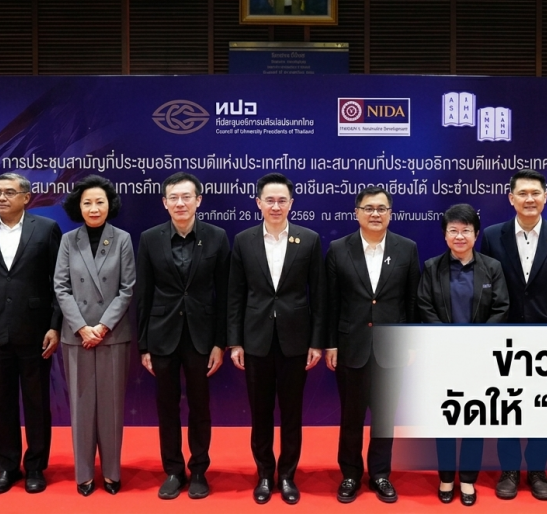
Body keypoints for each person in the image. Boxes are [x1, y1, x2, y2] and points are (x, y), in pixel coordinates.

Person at [479, 169, 547, 501]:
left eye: (535, 193)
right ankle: (509, 470)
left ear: (545, 197)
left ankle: (537, 470)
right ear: (511, 198)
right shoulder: (493, 236)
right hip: (504, 339)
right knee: (507, 406)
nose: (529, 199)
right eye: (522, 193)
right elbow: (486, 289)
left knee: (542, 408)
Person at [227, 172, 326, 505]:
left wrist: (316, 342)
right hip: (255, 340)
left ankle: (287, 476)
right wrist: (235, 342)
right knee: (261, 414)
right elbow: (235, 295)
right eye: (269, 200)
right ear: (258, 203)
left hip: (295, 341)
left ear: (291, 203)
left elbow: (319, 295)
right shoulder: (243, 240)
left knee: (292, 414)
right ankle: (265, 475)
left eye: (282, 200)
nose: (275, 206)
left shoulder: (308, 239)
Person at [0, 172, 62, 495]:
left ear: (26, 198)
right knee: (1, 404)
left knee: (37, 404)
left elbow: (58, 282)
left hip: (36, 331)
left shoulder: (46, 229)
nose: (1, 197)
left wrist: (55, 325)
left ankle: (35, 467)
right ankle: (6, 467)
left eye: (9, 192)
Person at [136, 172, 230, 500]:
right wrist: (144, 345)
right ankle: (174, 471)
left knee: (200, 407)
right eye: (173, 198)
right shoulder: (150, 238)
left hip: (202, 336)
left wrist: (220, 342)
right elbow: (143, 294)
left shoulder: (217, 237)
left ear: (198, 200)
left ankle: (199, 469)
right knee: (167, 407)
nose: (180, 203)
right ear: (164, 203)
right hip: (162, 336)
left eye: (186, 197)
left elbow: (225, 294)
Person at [325, 186, 420, 504]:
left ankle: (380, 474)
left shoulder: (407, 249)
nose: (375, 214)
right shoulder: (339, 249)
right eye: (369, 208)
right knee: (351, 417)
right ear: (357, 213)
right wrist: (330, 344)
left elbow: (412, 300)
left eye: (381, 208)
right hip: (351, 346)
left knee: (384, 417)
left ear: (390, 214)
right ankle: (350, 474)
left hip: (391, 349)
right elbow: (330, 302)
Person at [418, 203, 510, 506]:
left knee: (474, 419)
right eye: (453, 230)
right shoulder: (432, 267)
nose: (460, 236)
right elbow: (424, 306)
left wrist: (475, 342)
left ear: (476, 234)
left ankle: (468, 478)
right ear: (445, 235)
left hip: (480, 357)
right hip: (442, 356)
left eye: (466, 230)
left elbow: (501, 308)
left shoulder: (492, 267)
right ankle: (446, 477)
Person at [53, 175, 135, 497]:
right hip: (77, 335)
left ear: (109, 205)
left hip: (111, 334)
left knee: (111, 407)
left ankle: (112, 473)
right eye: (87, 202)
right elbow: (61, 287)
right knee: (82, 406)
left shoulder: (122, 239)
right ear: (79, 206)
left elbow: (127, 288)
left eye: (100, 201)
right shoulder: (68, 240)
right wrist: (80, 326)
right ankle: (84, 474)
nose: (94, 208)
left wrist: (102, 326)